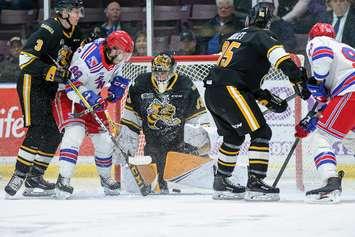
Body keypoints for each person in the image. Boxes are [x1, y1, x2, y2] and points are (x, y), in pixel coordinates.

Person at [203, 4, 310, 201]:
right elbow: (281, 59)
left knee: (233, 137)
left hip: (212, 91)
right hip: (230, 89)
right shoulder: (263, 35)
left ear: (248, 20)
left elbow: (244, 78)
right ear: (269, 23)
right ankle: (255, 183)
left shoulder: (234, 37)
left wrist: (267, 99)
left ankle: (221, 182)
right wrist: (298, 78)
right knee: (261, 132)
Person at [4, 0, 84, 197]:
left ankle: (35, 177)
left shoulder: (76, 33)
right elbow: (25, 60)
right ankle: (19, 175)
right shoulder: (49, 29)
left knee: (56, 130)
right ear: (64, 13)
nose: (79, 15)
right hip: (32, 82)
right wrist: (53, 72)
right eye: (75, 11)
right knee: (38, 127)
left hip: (51, 86)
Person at [52, 30, 134, 198]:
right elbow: (71, 87)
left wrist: (116, 88)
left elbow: (116, 74)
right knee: (75, 134)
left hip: (92, 96)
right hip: (70, 97)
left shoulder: (115, 54)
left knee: (104, 141)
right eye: (122, 55)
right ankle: (64, 180)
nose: (124, 59)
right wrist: (89, 97)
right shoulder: (88, 59)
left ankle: (105, 179)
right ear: (112, 49)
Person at [117, 53, 211, 193]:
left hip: (180, 150)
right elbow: (131, 122)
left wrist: (200, 149)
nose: (160, 75)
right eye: (157, 71)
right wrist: (127, 147)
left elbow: (199, 123)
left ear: (173, 70)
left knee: (182, 191)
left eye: (164, 72)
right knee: (157, 191)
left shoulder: (185, 84)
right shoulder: (140, 84)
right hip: (153, 150)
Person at [295, 23, 355, 203]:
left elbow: (322, 54)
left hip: (350, 92)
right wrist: (314, 117)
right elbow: (328, 101)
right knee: (351, 137)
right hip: (348, 93)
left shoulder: (319, 41)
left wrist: (317, 79)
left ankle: (330, 181)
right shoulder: (345, 48)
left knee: (320, 138)